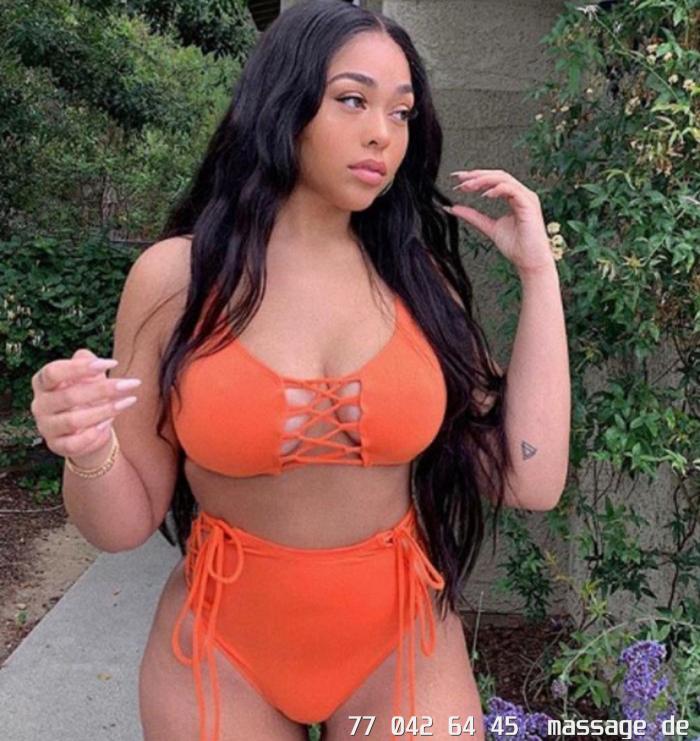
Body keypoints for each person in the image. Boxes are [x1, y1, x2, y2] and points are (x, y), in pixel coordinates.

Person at [29, 1, 570, 739]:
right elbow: (123, 524)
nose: (382, 133)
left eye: (401, 112)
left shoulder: (418, 284)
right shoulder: (178, 280)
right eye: (352, 100)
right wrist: (87, 447)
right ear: (283, 103)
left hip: (400, 648)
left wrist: (538, 276)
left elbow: (531, 479)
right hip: (219, 652)